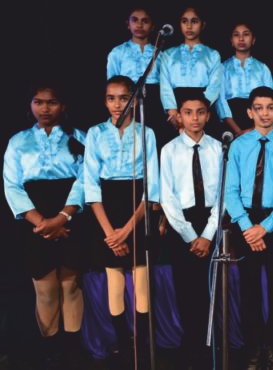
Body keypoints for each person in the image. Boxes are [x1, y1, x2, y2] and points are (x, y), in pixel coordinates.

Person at [3, 84, 87, 369]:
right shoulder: (18, 141)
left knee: (71, 285)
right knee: (45, 289)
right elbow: (12, 185)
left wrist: (62, 217)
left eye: (52, 102)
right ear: (30, 105)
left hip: (70, 212)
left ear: (63, 106)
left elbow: (86, 179)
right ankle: (51, 351)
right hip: (34, 217)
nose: (45, 108)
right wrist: (42, 222)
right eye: (38, 102)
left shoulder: (79, 137)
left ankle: (72, 351)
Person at [84, 75, 160, 367]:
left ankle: (141, 346)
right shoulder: (95, 133)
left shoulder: (146, 133)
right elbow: (91, 185)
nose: (117, 104)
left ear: (135, 100)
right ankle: (122, 346)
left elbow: (151, 187)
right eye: (111, 98)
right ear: (105, 101)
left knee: (141, 284)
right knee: (114, 282)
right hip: (106, 210)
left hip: (136, 210)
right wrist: (110, 234)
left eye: (124, 98)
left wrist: (127, 230)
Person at [224, 86, 273, 370]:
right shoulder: (238, 146)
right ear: (249, 112)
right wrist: (248, 227)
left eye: (270, 108)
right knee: (249, 286)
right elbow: (230, 191)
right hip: (245, 219)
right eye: (259, 108)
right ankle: (253, 345)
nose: (265, 113)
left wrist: (265, 228)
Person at [160, 90, 222, 369]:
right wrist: (190, 236)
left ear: (208, 116)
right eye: (188, 112)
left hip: (211, 221)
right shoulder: (169, 150)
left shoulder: (219, 149)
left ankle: (211, 344)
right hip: (181, 224)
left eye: (200, 112)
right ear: (179, 117)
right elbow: (167, 196)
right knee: (186, 288)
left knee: (210, 287)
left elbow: (223, 194)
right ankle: (191, 346)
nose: (194, 118)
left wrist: (207, 235)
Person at [217, 22, 273, 137]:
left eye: (246, 34)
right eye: (236, 35)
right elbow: (221, 101)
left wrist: (254, 128)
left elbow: (269, 99)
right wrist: (237, 131)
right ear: (231, 40)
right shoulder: (222, 68)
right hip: (230, 123)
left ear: (253, 40)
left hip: (259, 121)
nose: (241, 38)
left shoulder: (262, 68)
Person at [158, 7, 223, 139]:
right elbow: (165, 85)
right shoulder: (168, 54)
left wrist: (200, 110)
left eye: (194, 21)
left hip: (203, 104)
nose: (189, 26)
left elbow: (215, 84)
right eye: (184, 21)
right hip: (176, 105)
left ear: (203, 25)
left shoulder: (212, 54)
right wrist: (174, 113)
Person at [107, 6, 166, 148]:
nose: (139, 25)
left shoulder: (161, 54)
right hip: (127, 100)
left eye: (145, 21)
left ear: (152, 26)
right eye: (135, 20)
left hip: (154, 102)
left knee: (153, 140)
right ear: (128, 24)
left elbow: (165, 84)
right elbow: (111, 84)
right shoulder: (118, 52)